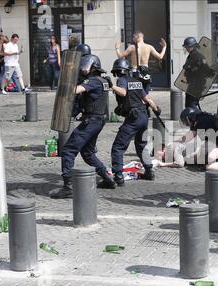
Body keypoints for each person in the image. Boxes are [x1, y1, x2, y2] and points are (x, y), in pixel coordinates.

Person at [50, 54, 116, 199]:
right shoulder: (102, 80)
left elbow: (75, 90)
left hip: (91, 121)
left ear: (92, 67)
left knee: (68, 150)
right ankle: (107, 178)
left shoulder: (93, 81)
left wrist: (65, 84)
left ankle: (68, 186)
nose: (83, 68)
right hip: (97, 120)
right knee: (88, 153)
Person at [107, 58, 160, 187]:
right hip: (143, 116)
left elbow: (123, 93)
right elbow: (146, 98)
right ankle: (149, 170)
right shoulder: (136, 81)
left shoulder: (121, 80)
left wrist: (112, 86)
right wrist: (156, 108)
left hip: (133, 118)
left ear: (117, 72)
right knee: (141, 145)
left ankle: (118, 176)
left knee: (118, 147)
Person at [181, 37, 215, 109]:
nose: (186, 49)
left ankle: (194, 118)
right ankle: (193, 118)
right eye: (186, 47)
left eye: (187, 47)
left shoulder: (198, 56)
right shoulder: (192, 55)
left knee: (191, 105)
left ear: (192, 46)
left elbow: (207, 69)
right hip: (192, 84)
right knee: (189, 105)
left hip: (196, 85)